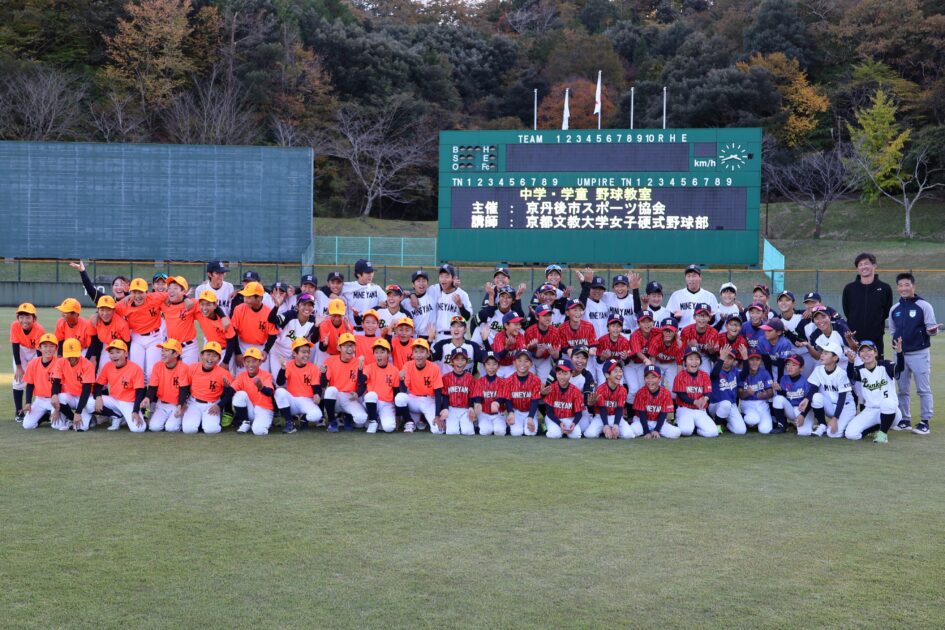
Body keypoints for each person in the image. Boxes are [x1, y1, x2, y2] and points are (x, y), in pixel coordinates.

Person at [888, 272, 940, 434]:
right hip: (900, 354)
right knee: (902, 389)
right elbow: (893, 331)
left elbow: (931, 328)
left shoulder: (924, 306)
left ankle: (925, 422)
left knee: (923, 389)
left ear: (913, 286)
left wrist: (932, 331)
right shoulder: (894, 309)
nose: (903, 288)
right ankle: (905, 420)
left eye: (907, 285)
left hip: (919, 353)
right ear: (897, 288)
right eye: (900, 285)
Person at [844, 340, 903, 443]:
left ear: (875, 353)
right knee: (850, 434)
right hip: (870, 410)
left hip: (892, 412)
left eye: (869, 350)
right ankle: (877, 428)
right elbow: (851, 375)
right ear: (859, 355)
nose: (866, 353)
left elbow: (900, 368)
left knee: (887, 402)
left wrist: (899, 353)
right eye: (862, 351)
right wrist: (850, 362)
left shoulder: (885, 365)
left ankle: (883, 434)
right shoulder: (860, 370)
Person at [842, 252, 894, 358]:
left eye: (866, 263)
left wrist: (875, 326)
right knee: (854, 367)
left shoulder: (885, 288)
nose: (863, 267)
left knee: (876, 366)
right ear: (857, 268)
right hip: (854, 338)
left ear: (874, 265)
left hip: (876, 338)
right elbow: (847, 311)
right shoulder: (849, 288)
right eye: (860, 265)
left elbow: (886, 311)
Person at [94, 339, 147, 433]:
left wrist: (135, 411)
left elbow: (140, 392)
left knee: (138, 429)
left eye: (118, 352)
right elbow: (98, 385)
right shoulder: (107, 366)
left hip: (129, 403)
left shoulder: (135, 368)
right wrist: (98, 397)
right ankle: (116, 416)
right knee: (90, 402)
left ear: (126, 354)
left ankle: (124, 417)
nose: (114, 355)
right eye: (111, 353)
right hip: (113, 400)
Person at [181, 341, 233, 435]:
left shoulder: (224, 373)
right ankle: (200, 421)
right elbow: (185, 387)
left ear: (219, 359)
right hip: (193, 403)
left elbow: (230, 393)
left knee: (211, 430)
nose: (210, 358)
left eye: (214, 356)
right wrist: (182, 402)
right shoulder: (192, 368)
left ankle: (208, 420)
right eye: (208, 354)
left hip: (212, 404)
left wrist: (219, 405)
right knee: (189, 430)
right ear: (201, 355)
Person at [807, 341, 855, 438]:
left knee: (833, 434)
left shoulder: (841, 374)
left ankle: (850, 423)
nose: (822, 355)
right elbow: (813, 389)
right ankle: (822, 425)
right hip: (830, 406)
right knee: (816, 397)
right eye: (822, 352)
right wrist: (806, 399)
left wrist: (835, 418)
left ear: (835, 358)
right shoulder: (818, 369)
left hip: (845, 408)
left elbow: (842, 398)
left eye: (826, 353)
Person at [274, 338, 323, 434]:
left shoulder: (313, 368)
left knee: (317, 415)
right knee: (279, 392)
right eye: (303, 352)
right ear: (294, 354)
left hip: (307, 400)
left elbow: (316, 386)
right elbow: (280, 382)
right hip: (292, 401)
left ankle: (304, 418)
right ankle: (289, 423)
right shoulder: (288, 365)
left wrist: (317, 394)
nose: (306, 355)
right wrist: (283, 369)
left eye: (308, 352)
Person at [321, 333, 368, 432]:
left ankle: (347, 416)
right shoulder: (330, 361)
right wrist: (323, 374)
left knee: (361, 420)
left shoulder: (359, 362)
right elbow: (323, 384)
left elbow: (362, 384)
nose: (349, 349)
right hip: (336, 397)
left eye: (352, 345)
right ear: (339, 348)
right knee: (330, 390)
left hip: (350, 397)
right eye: (346, 346)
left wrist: (357, 393)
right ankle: (332, 421)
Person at [359, 338, 406, 434]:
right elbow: (361, 380)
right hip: (372, 402)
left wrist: (397, 415)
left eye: (382, 352)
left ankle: (378, 419)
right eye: (376, 352)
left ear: (388, 353)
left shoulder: (394, 370)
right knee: (371, 395)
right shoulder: (369, 367)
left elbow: (396, 392)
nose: (379, 355)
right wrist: (360, 368)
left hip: (387, 404)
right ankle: (373, 421)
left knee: (389, 428)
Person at [143, 338, 190, 432]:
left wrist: (180, 405)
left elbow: (184, 389)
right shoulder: (157, 366)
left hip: (176, 404)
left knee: (171, 428)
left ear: (176, 354)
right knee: (154, 427)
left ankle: (181, 418)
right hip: (162, 404)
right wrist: (147, 398)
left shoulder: (183, 368)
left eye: (166, 350)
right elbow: (153, 387)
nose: (163, 353)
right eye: (162, 350)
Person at [10, 302, 45, 423]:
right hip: (21, 350)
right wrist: (19, 367)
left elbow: (40, 353)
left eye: (28, 317)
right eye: (21, 317)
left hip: (35, 352)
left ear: (34, 318)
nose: (24, 320)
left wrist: (40, 368)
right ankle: (19, 411)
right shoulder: (15, 326)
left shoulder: (39, 329)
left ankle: (40, 409)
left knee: (38, 379)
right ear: (17, 318)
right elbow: (15, 347)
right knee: (18, 380)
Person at [51, 338, 96, 431]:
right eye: (69, 355)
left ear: (80, 351)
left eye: (75, 354)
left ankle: (90, 417)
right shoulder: (60, 362)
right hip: (71, 396)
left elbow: (86, 390)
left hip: (85, 398)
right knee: (56, 424)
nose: (72, 358)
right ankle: (71, 418)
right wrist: (54, 398)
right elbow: (56, 382)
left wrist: (78, 412)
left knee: (81, 428)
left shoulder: (87, 365)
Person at [673, 346, 718, 438]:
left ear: (700, 362)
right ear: (685, 362)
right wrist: (695, 401)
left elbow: (708, 391)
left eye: (697, 359)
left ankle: (697, 429)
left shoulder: (704, 375)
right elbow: (681, 395)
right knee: (686, 431)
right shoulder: (680, 376)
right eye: (690, 359)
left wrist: (705, 399)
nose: (694, 362)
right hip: (685, 409)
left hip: (700, 410)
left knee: (713, 432)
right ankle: (680, 422)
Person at [400, 338, 444, 433]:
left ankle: (422, 419)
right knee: (400, 397)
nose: (418, 355)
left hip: (428, 401)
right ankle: (409, 421)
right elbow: (403, 389)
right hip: (413, 399)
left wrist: (437, 415)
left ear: (428, 354)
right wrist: (401, 380)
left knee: (438, 430)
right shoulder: (408, 365)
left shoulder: (434, 368)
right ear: (412, 354)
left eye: (422, 352)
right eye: (416, 352)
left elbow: (438, 392)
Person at [232, 347, 276, 436]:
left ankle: (265, 422)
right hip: (250, 409)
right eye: (248, 361)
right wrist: (225, 389)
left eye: (254, 361)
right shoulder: (241, 376)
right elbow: (231, 391)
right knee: (239, 395)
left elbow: (270, 392)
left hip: (264, 409)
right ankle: (246, 422)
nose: (251, 364)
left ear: (260, 362)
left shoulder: (266, 375)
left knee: (258, 431)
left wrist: (261, 387)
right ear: (244, 362)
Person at [20, 333, 61, 430]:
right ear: (39, 348)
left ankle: (57, 415)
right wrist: (28, 402)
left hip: (55, 400)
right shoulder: (33, 363)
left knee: (57, 425)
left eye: (52, 346)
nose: (48, 349)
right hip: (40, 400)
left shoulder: (59, 363)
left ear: (56, 348)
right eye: (45, 346)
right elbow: (30, 384)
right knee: (27, 425)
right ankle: (46, 416)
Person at [629, 365, 681, 439]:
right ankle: (647, 431)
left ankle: (655, 432)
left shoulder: (666, 393)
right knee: (631, 431)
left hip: (658, 421)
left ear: (660, 379)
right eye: (647, 377)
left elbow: (663, 414)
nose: (650, 380)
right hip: (641, 421)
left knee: (676, 432)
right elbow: (642, 414)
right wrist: (646, 432)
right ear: (644, 379)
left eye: (653, 377)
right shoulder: (641, 392)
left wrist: (657, 430)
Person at [502, 350, 543, 437]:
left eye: (526, 361)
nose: (522, 364)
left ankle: (532, 422)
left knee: (530, 433)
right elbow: (508, 400)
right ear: (514, 363)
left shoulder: (536, 380)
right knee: (516, 433)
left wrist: (531, 417)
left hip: (530, 411)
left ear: (531, 364)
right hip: (516, 411)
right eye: (519, 360)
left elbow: (535, 401)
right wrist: (511, 413)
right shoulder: (509, 380)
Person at [708, 344, 747, 435]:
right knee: (726, 404)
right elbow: (714, 375)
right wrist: (721, 358)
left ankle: (725, 423)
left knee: (741, 431)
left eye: (730, 358)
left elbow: (744, 374)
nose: (727, 360)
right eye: (725, 357)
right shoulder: (716, 370)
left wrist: (745, 358)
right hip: (715, 405)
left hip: (731, 405)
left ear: (733, 360)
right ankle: (717, 424)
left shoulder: (735, 371)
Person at [771, 355, 813, 435]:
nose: (790, 367)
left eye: (794, 365)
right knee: (777, 398)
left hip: (802, 410)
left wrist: (802, 415)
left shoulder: (805, 381)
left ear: (801, 368)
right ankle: (782, 425)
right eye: (788, 364)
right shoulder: (784, 379)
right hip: (790, 408)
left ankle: (804, 424)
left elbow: (809, 401)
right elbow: (784, 396)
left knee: (804, 433)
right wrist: (779, 390)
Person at [542, 358, 585, 439]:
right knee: (555, 435)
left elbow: (579, 413)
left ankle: (562, 431)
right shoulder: (551, 388)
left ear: (571, 373)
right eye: (559, 373)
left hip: (569, 418)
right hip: (553, 418)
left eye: (565, 373)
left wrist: (574, 423)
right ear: (556, 374)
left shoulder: (576, 391)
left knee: (576, 436)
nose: (562, 377)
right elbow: (549, 412)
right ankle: (548, 426)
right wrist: (560, 423)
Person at [438, 348, 476, 435]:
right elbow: (445, 395)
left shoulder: (470, 377)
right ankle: (453, 424)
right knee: (452, 432)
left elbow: (471, 395)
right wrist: (445, 408)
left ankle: (465, 424)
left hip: (465, 409)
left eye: (463, 359)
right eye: (457, 359)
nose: (460, 362)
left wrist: (471, 407)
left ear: (466, 362)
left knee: (468, 432)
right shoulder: (446, 377)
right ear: (452, 361)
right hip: (451, 409)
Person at [590, 360, 633, 439]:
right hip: (601, 417)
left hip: (615, 416)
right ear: (607, 375)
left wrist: (616, 425)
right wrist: (606, 425)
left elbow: (619, 409)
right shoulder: (600, 389)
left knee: (629, 434)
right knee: (590, 434)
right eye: (615, 371)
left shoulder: (623, 390)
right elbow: (602, 409)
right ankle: (605, 430)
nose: (619, 374)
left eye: (620, 371)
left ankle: (613, 430)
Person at [738, 352, 775, 434]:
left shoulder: (765, 373)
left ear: (761, 361)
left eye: (757, 360)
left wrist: (765, 395)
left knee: (765, 430)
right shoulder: (742, 373)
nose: (755, 362)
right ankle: (744, 418)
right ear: (747, 361)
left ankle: (755, 424)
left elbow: (770, 393)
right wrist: (747, 393)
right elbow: (740, 395)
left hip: (762, 404)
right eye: (751, 360)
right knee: (753, 419)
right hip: (747, 404)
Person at [343, 259, 384, 332]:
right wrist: (334, 295)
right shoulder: (348, 287)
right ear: (358, 274)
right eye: (367, 272)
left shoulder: (376, 288)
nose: (371, 275)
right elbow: (328, 288)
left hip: (372, 332)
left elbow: (388, 302)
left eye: (372, 272)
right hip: (354, 331)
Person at [472, 351, 506, 436]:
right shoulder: (480, 381)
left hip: (498, 414)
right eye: (488, 364)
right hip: (484, 413)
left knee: (500, 432)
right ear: (484, 366)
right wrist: (478, 404)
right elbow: (478, 397)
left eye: (494, 364)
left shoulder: (502, 382)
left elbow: (502, 397)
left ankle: (502, 425)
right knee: (485, 431)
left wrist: (497, 402)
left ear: (498, 366)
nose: (491, 367)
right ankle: (480, 424)